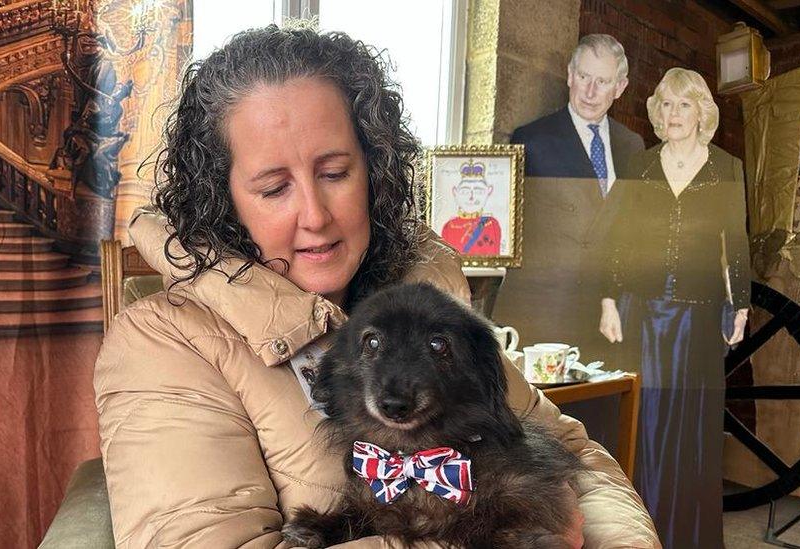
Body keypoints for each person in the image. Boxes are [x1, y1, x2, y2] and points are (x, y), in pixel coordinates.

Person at [94, 24, 660, 548]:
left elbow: (581, 460)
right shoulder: (162, 345)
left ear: (375, 168)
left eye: (335, 173)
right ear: (226, 201)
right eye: (273, 189)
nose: (315, 216)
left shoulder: (427, 301)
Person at [597, 67, 750, 548]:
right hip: (644, 313)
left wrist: (741, 305)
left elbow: (737, 243)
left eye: (685, 104)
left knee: (693, 424)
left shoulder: (726, 167)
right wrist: (608, 301)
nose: (674, 113)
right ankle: (640, 534)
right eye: (666, 104)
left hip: (701, 316)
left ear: (701, 112)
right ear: (656, 114)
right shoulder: (641, 166)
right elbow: (615, 238)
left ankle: (689, 537)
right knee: (647, 421)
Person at [492, 34, 645, 359]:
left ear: (620, 87)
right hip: (543, 310)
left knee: (597, 407)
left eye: (602, 81)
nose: (590, 91)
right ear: (570, 75)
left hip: (607, 313)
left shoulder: (632, 145)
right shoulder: (530, 139)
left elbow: (630, 229)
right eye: (584, 77)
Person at [440, 160, 502, 255]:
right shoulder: (449, 226)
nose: (471, 197)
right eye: (465, 191)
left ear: (488, 191)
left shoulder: (491, 224)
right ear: (455, 192)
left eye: (478, 191)